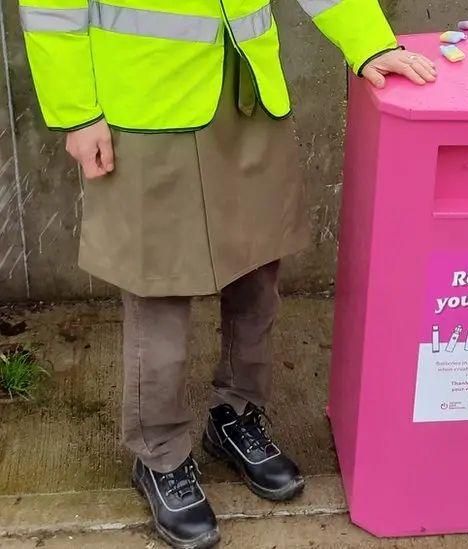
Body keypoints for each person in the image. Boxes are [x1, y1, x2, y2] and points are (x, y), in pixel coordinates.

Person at [18, 1, 435, 547]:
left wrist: (370, 43)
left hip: (247, 96)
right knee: (158, 290)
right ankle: (159, 455)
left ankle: (236, 415)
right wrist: (76, 111)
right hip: (144, 103)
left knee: (256, 275)